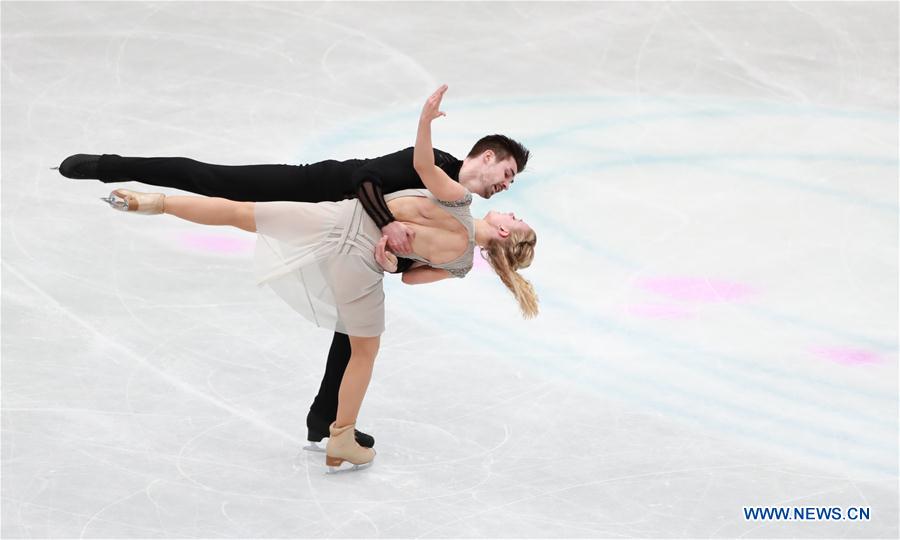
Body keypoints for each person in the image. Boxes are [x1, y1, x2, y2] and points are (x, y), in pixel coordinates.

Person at [55, 84, 530, 456]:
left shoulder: (464, 215)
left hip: (350, 247)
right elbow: (365, 180)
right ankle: (109, 166)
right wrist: (389, 227)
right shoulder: (434, 166)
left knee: (352, 334)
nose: (507, 185)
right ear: (486, 157)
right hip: (316, 193)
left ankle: (323, 421)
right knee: (218, 181)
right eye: (507, 173)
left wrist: (389, 254)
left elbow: (415, 257)